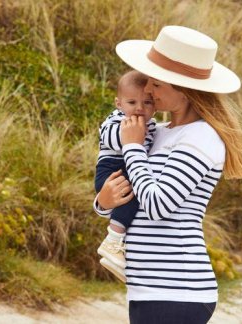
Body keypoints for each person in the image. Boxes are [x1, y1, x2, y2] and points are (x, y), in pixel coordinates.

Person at [93, 25, 242, 324]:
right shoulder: (158, 132)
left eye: (157, 85)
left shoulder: (201, 137)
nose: (147, 91)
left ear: (186, 90)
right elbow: (132, 197)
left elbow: (157, 204)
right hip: (146, 289)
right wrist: (103, 202)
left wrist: (133, 147)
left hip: (178, 290)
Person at [95, 70, 156, 282]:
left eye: (147, 103)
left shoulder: (154, 127)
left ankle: (118, 249)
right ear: (119, 104)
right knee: (132, 194)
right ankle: (113, 240)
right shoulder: (116, 119)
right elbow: (108, 136)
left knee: (136, 195)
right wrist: (130, 137)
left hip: (130, 169)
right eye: (132, 102)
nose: (139, 108)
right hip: (111, 169)